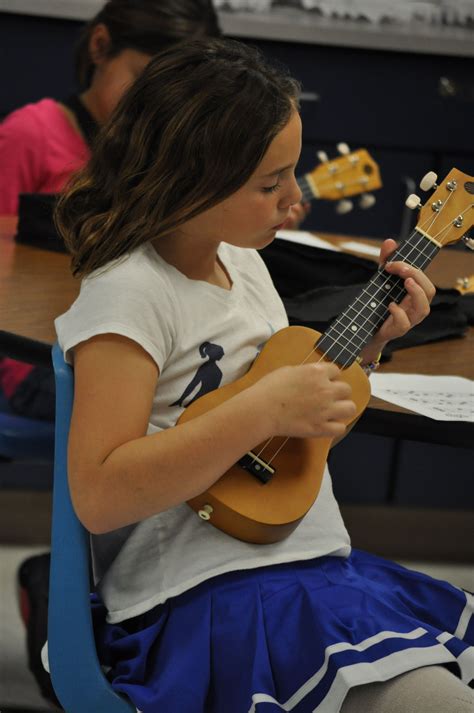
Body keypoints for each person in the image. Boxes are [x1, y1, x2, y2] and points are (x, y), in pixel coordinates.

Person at [51, 39, 473, 713]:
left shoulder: (244, 265)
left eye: (292, 174)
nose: (293, 198)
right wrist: (264, 411)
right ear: (191, 178)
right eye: (268, 183)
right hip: (205, 596)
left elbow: (276, 459)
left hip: (307, 569)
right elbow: (98, 494)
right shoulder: (127, 297)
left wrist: (367, 350)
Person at [0, 0, 222, 421]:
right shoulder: (30, 134)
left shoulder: (168, 162)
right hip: (41, 365)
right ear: (100, 46)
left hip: (138, 351)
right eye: (141, 82)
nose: (152, 108)